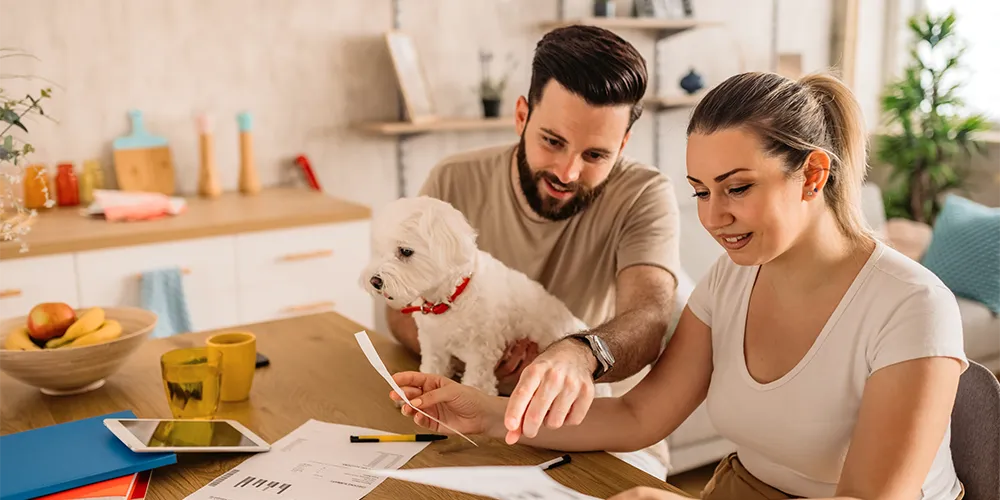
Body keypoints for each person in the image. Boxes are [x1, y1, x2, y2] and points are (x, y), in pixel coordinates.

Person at [386, 70, 969, 500]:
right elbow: (640, 414)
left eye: (737, 188)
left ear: (813, 175)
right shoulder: (731, 278)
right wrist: (487, 413)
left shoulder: (912, 307)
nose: (713, 218)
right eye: (701, 190)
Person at [385, 24, 683, 446]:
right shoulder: (453, 180)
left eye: (596, 154)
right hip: (461, 411)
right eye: (552, 141)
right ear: (521, 116)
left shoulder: (644, 193)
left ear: (624, 143)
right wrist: (471, 352)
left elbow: (650, 316)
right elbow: (400, 304)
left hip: (588, 428)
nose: (568, 172)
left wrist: (579, 354)